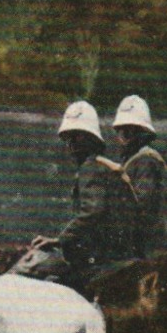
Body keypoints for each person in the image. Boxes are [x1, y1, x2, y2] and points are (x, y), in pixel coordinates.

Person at [19, 101, 136, 289]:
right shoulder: (102, 165)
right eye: (68, 138)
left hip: (104, 258)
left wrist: (59, 240)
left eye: (77, 137)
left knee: (29, 274)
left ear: (91, 139)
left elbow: (93, 212)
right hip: (118, 251)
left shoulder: (91, 168)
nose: (71, 143)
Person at [113, 94, 167, 258]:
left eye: (129, 130)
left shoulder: (145, 160)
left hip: (146, 247)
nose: (123, 134)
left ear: (141, 132)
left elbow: (141, 206)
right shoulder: (137, 159)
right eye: (121, 129)